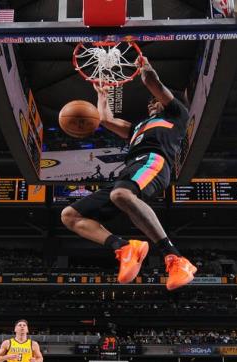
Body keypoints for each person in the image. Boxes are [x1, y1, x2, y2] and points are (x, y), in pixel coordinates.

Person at [61, 56, 196, 291]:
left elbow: (153, 82)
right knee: (70, 215)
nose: (151, 104)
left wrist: (145, 66)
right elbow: (105, 119)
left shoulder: (176, 114)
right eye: (150, 102)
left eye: (155, 101)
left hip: (154, 161)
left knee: (121, 195)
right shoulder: (137, 128)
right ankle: (123, 247)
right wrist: (102, 95)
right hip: (131, 168)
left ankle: (175, 258)